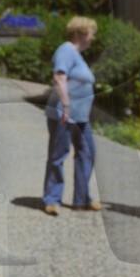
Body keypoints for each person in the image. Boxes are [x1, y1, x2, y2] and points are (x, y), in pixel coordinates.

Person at [42, 16, 100, 216]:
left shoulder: (77, 55)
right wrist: (66, 105)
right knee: (58, 155)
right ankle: (52, 199)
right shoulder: (66, 50)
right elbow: (59, 77)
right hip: (64, 113)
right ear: (81, 33)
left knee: (87, 153)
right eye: (92, 33)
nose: (93, 38)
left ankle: (81, 199)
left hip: (80, 117)